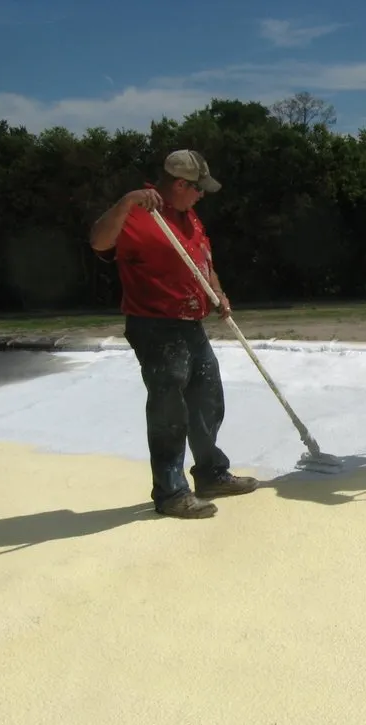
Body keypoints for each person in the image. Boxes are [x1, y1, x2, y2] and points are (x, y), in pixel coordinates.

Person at [88, 149, 258, 519]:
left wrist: (218, 293)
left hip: (190, 323)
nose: (203, 196)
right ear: (181, 184)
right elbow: (99, 242)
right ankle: (170, 492)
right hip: (155, 324)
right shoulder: (138, 213)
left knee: (208, 397)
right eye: (199, 189)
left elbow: (202, 261)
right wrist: (126, 200)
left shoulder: (188, 216)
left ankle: (211, 474)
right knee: (170, 408)